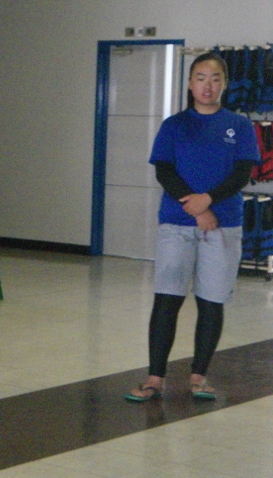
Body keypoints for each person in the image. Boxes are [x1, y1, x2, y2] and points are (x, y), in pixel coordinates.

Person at [126, 52, 260, 403]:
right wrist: (197, 207)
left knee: (211, 302)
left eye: (215, 79)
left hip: (223, 225)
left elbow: (242, 173)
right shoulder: (174, 125)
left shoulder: (240, 126)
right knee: (167, 300)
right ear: (189, 83)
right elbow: (164, 171)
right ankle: (155, 378)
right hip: (177, 223)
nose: (207, 86)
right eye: (200, 78)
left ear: (225, 84)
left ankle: (199, 376)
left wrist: (209, 200)